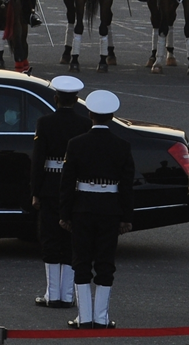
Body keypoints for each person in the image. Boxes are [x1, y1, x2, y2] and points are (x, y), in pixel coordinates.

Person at [58, 90, 135, 330]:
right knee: (105, 262)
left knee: (81, 261)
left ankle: (84, 317)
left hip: (82, 207)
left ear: (90, 114)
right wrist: (126, 217)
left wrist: (64, 214)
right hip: (110, 209)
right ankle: (101, 318)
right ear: (112, 116)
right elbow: (127, 185)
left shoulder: (76, 144)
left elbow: (67, 183)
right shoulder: (122, 146)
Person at [30, 76, 89, 309]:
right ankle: (67, 295)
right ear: (76, 100)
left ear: (55, 99)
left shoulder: (45, 123)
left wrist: (36, 190)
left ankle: (52, 294)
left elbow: (38, 160)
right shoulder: (85, 124)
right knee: (70, 240)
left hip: (50, 186)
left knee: (50, 238)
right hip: (75, 186)